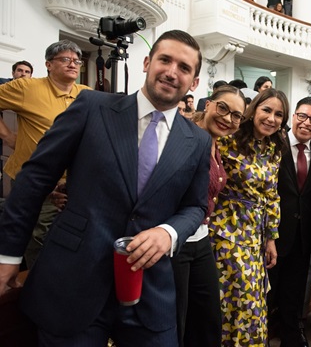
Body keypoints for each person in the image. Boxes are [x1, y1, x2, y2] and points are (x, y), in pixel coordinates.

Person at [0, 30, 211, 346]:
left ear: (193, 82)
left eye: (184, 67)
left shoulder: (197, 142)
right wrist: (9, 253)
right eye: (164, 60)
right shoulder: (91, 106)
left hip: (149, 290)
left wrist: (168, 232)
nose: (171, 72)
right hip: (74, 280)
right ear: (146, 62)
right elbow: (36, 178)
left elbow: (195, 206)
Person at [0, 40, 90, 269]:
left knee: (64, 237)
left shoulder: (87, 95)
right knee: (36, 236)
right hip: (33, 179)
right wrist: (7, 135)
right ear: (49, 65)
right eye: (65, 59)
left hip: (70, 183)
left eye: (77, 60)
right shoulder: (26, 88)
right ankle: (31, 284)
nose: (73, 64)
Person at [209, 88, 289, 346]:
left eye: (279, 114)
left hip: (255, 235)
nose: (271, 119)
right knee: (232, 299)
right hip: (225, 231)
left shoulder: (274, 148)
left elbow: (272, 195)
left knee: (254, 300)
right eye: (267, 110)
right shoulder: (227, 139)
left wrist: (271, 238)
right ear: (253, 110)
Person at [172, 85, 246, 347]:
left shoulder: (216, 143)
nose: (228, 118)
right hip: (176, 240)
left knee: (207, 319)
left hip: (201, 239)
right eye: (223, 108)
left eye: (236, 115)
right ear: (208, 104)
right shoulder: (182, 136)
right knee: (176, 320)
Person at [267, 96, 311, 347]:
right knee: (267, 292)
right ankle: (264, 335)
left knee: (294, 292)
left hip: (303, 238)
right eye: (302, 116)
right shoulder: (273, 144)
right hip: (273, 235)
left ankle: (291, 334)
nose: (306, 122)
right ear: (293, 117)